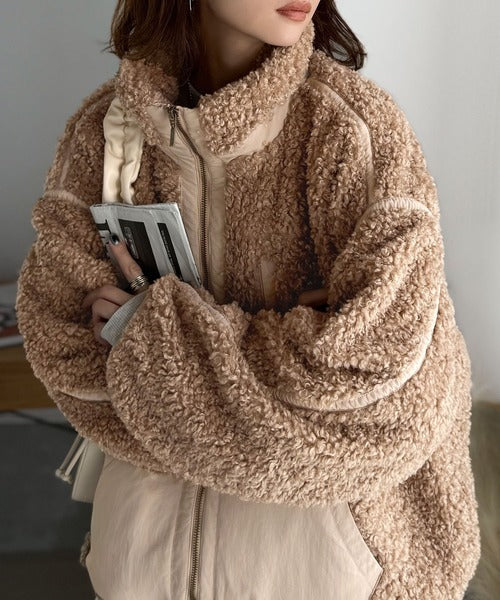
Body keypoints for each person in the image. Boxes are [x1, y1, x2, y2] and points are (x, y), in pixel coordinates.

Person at [15, 0, 481, 598]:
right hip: (140, 572)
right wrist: (290, 360)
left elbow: (387, 405)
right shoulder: (103, 133)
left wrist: (147, 340)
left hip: (320, 576)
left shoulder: (352, 129)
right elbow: (63, 350)